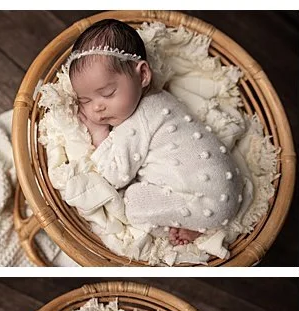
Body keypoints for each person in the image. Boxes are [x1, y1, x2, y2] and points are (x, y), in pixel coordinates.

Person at [69, 19, 242, 246]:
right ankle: (197, 224)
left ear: (142, 75)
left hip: (207, 204)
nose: (97, 107)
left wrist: (98, 132)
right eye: (85, 100)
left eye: (108, 93)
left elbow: (112, 175)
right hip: (229, 189)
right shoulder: (161, 99)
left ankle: (191, 225)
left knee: (133, 203)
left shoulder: (137, 120)